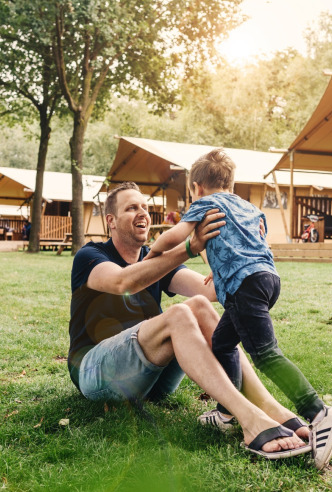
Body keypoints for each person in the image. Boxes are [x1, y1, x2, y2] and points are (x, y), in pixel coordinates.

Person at [69, 181, 314, 462]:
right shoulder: (90, 256)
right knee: (178, 314)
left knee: (197, 305)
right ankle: (249, 418)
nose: (142, 213)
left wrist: (249, 249)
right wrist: (188, 246)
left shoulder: (157, 259)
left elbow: (211, 291)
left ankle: (269, 406)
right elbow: (126, 281)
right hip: (96, 373)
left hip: (152, 382)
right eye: (131, 208)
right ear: (110, 221)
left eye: (145, 207)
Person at [147, 149, 332, 469]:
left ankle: (319, 413)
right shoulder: (249, 207)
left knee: (265, 355)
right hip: (268, 280)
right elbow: (254, 242)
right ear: (231, 183)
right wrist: (219, 266)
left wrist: (152, 252)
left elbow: (176, 236)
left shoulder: (204, 204)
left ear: (196, 187)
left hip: (244, 288)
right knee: (222, 343)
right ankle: (227, 412)